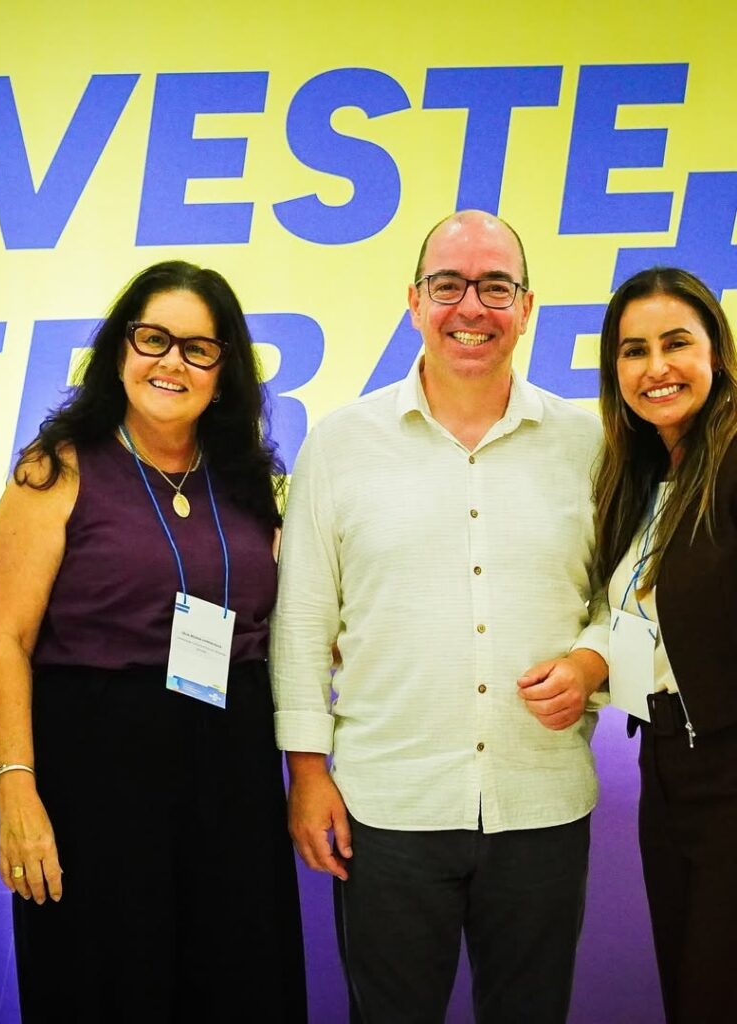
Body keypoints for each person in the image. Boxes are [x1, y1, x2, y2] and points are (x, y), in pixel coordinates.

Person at [271, 210, 609, 1024]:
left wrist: (593, 659)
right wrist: (307, 773)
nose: (471, 308)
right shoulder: (339, 445)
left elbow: (624, 597)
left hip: (542, 802)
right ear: (414, 301)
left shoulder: (589, 445)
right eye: (448, 285)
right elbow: (302, 620)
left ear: (527, 307)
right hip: (387, 807)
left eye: (496, 287)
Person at [0, 260, 306, 1022]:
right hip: (96, 777)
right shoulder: (57, 469)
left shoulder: (248, 479)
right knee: (106, 986)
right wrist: (15, 787)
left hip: (234, 773)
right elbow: (3, 637)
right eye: (153, 338)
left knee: (239, 985)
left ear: (224, 371)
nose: (171, 363)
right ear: (121, 348)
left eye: (198, 349)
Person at [594, 267, 737, 1024]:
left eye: (676, 343)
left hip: (729, 766)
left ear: (717, 352)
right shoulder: (648, 475)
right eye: (634, 350)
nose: (656, 368)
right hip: (668, 760)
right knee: (687, 988)